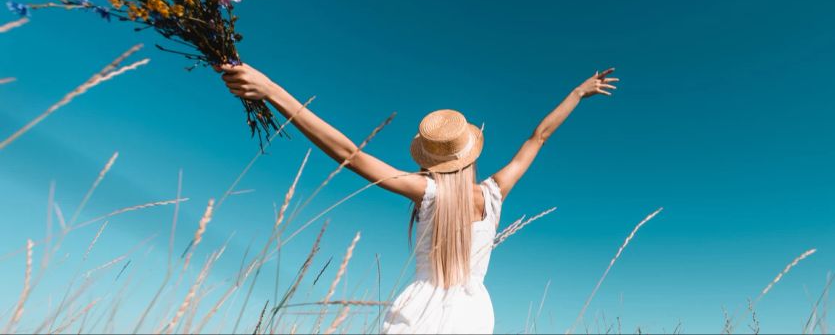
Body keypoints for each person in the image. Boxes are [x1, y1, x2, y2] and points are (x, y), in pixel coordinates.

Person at [219, 64, 618, 334]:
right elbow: (539, 136)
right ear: (470, 152)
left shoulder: (426, 192)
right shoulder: (495, 193)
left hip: (419, 311)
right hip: (473, 315)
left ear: (431, 159)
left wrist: (272, 91)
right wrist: (578, 93)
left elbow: (350, 154)